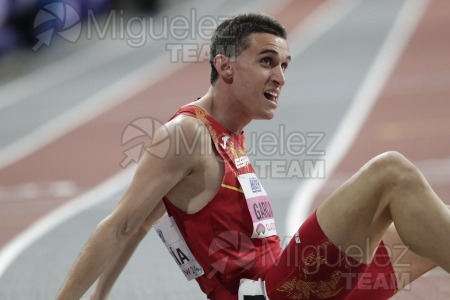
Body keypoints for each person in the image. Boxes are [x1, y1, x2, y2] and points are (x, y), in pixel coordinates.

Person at [57, 13, 450, 300]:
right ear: (224, 66)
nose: (280, 76)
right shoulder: (186, 135)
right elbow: (120, 225)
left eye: (283, 65)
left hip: (292, 284)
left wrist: (100, 297)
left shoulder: (228, 134)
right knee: (391, 171)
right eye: (267, 62)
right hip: (272, 293)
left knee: (422, 231)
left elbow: (142, 225)